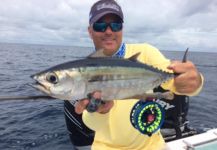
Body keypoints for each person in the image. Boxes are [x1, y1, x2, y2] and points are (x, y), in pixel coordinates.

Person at [65, 0, 204, 149]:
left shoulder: (145, 52)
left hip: (152, 145)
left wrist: (194, 82)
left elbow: (177, 83)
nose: (109, 31)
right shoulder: (81, 73)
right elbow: (91, 124)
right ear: (90, 31)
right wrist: (100, 112)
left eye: (116, 24)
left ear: (122, 29)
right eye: (100, 25)